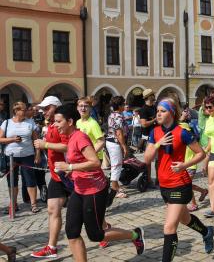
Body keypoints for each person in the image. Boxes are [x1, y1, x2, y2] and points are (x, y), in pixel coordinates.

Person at [53, 104, 145, 261]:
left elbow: (95, 162)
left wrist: (69, 166)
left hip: (95, 190)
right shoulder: (70, 137)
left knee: (95, 234)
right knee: (72, 231)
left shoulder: (79, 137)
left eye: (58, 121)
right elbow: (82, 162)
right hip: (80, 189)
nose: (55, 125)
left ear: (69, 122)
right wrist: (72, 171)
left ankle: (135, 234)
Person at [143, 98, 214, 261]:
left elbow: (201, 153)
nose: (158, 114)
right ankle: (207, 231)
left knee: (169, 227)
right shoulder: (155, 132)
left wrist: (184, 165)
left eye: (163, 111)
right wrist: (157, 144)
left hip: (179, 183)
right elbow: (147, 159)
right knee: (184, 218)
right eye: (158, 111)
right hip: (164, 184)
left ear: (172, 113)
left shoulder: (182, 132)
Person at [31, 96, 68, 258]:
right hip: (56, 176)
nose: (44, 111)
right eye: (43, 109)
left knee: (93, 223)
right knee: (52, 210)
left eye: (47, 108)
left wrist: (45, 144)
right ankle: (51, 248)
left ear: (57, 108)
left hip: (72, 175)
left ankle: (104, 230)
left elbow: (68, 147)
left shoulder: (63, 126)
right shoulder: (50, 126)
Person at [76, 96, 110, 249]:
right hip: (82, 165)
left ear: (90, 109)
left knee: (94, 199)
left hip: (92, 164)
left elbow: (101, 141)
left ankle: (103, 230)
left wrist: (89, 155)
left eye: (86, 106)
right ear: (77, 108)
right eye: (81, 106)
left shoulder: (92, 123)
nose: (83, 108)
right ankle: (104, 227)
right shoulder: (77, 123)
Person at [0, 101, 41, 214]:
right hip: (11, 156)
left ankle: (33, 204)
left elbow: (36, 140)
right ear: (16, 111)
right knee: (12, 180)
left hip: (27, 155)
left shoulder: (30, 122)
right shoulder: (6, 123)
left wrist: (37, 154)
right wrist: (12, 139)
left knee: (30, 179)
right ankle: (13, 204)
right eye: (23, 110)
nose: (26, 111)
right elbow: (0, 138)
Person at [180, 108, 208, 212]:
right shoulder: (188, 126)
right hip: (184, 162)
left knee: (186, 185)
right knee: (188, 184)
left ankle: (194, 204)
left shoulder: (188, 127)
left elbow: (177, 124)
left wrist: (182, 117)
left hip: (190, 163)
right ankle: (203, 191)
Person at [105, 96, 129, 199]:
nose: (124, 106)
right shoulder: (119, 116)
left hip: (110, 142)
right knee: (116, 166)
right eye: (123, 104)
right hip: (115, 143)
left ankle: (116, 186)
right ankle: (115, 189)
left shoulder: (111, 115)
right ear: (119, 106)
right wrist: (124, 146)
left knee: (115, 165)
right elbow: (119, 133)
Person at [140, 89, 157, 185]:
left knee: (158, 160)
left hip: (157, 136)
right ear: (148, 97)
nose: (154, 96)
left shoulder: (155, 107)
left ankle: (159, 178)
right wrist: (155, 119)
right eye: (152, 95)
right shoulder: (144, 109)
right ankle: (149, 180)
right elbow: (144, 124)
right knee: (148, 161)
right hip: (148, 138)